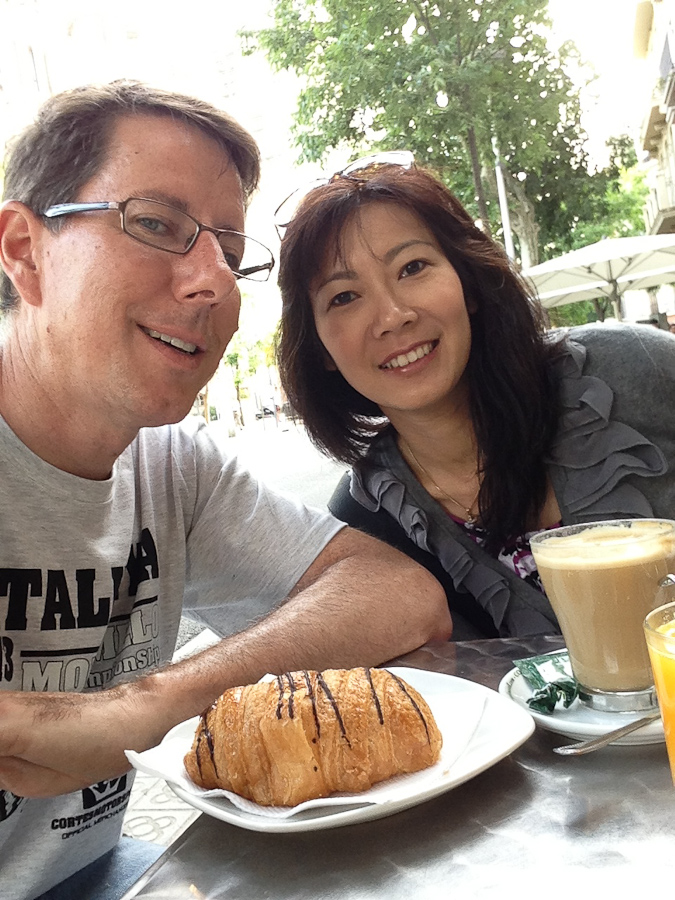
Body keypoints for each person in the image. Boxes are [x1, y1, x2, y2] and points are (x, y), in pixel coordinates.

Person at [0, 86, 452, 900]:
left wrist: (141, 709)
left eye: (230, 247)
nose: (214, 280)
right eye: (158, 225)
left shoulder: (172, 467)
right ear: (25, 250)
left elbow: (397, 592)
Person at [276, 156, 675, 641]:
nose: (393, 316)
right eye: (343, 297)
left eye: (413, 267)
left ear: (469, 284)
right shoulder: (365, 524)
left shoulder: (632, 369)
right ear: (321, 350)